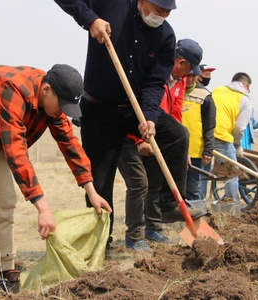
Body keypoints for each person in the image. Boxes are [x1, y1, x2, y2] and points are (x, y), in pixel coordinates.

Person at [0, 64, 112, 293]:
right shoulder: (13, 91)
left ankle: (7, 269)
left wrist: (92, 191)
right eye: (62, 105)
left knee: (5, 199)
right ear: (47, 90)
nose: (63, 112)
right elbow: (16, 151)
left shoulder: (52, 107)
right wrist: (43, 209)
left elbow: (70, 145)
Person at [54, 0, 205, 249]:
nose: (162, 16)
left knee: (177, 135)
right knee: (101, 181)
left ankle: (168, 204)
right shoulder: (111, 5)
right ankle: (101, 242)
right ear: (143, 1)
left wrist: (149, 117)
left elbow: (155, 83)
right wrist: (90, 18)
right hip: (99, 110)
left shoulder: (166, 36)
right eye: (158, 10)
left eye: (167, 13)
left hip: (134, 111)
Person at [117, 38, 204, 252]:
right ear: (180, 62)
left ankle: (155, 227)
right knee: (140, 184)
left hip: (158, 134)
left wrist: (179, 147)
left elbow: (175, 114)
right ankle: (135, 237)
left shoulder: (181, 81)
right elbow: (135, 107)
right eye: (190, 69)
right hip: (132, 133)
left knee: (155, 180)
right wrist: (141, 140)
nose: (191, 76)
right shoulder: (154, 72)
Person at [211, 72, 252, 202]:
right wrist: (238, 145)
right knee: (232, 173)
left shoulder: (216, 91)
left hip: (203, 134)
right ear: (245, 85)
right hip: (221, 137)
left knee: (203, 173)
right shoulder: (244, 100)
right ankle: (232, 206)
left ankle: (198, 207)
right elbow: (240, 128)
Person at [182, 67, 216, 202]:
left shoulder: (205, 96)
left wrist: (208, 150)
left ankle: (196, 217)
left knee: (193, 188)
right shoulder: (174, 91)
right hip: (176, 150)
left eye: (193, 76)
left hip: (195, 151)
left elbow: (209, 126)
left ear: (198, 77)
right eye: (187, 75)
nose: (189, 79)